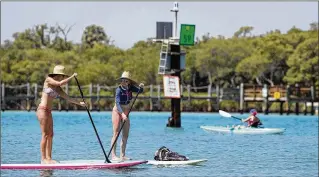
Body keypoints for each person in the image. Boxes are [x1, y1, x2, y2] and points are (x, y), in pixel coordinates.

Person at [36, 65, 86, 164]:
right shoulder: (48, 80)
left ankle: (49, 158)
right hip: (42, 110)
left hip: (49, 111)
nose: (61, 78)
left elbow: (68, 98)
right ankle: (43, 159)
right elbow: (59, 83)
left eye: (62, 76)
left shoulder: (58, 89)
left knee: (50, 135)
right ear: (56, 75)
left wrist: (80, 103)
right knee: (45, 135)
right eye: (60, 76)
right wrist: (72, 77)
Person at [111, 71, 144, 161]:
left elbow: (140, 91)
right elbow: (117, 103)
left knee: (125, 134)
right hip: (118, 111)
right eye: (122, 80)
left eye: (126, 81)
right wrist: (122, 114)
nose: (124, 82)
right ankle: (113, 155)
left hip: (126, 111)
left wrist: (141, 87)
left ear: (129, 82)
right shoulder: (118, 90)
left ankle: (122, 155)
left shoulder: (131, 88)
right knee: (116, 133)